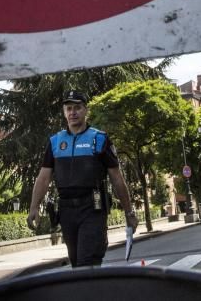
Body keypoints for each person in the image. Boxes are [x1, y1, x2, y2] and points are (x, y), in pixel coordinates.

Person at [27, 90, 138, 267]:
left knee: (87, 261)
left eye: (77, 108)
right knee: (77, 263)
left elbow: (117, 178)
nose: (73, 112)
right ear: (64, 113)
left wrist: (129, 212)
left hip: (92, 209)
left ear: (86, 110)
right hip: (66, 211)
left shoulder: (99, 139)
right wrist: (33, 207)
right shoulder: (55, 142)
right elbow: (43, 178)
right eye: (68, 108)